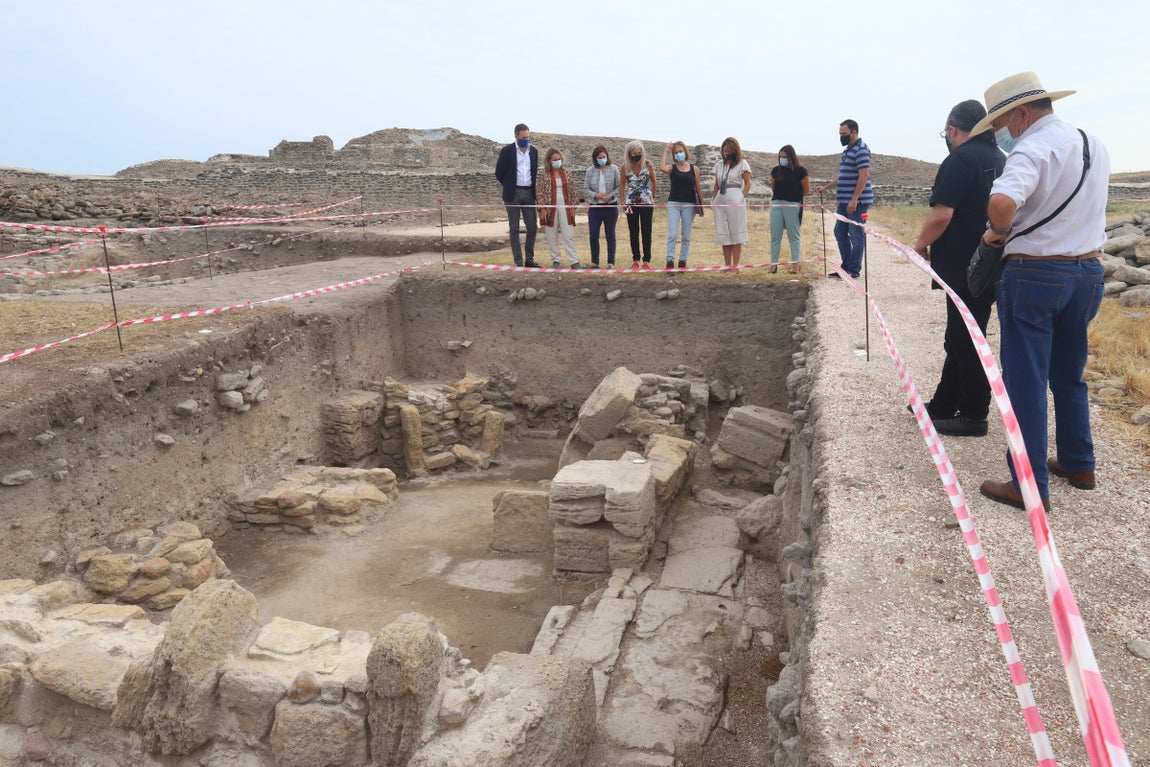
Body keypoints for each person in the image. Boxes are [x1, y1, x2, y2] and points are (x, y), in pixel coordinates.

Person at [968, 72, 1109, 511]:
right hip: (1088, 271)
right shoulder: (1090, 143)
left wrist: (997, 231)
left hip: (1036, 273)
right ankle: (1079, 463)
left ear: (1022, 114)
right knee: (1069, 374)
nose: (1003, 133)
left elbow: (1001, 203)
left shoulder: (1031, 147)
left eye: (1002, 123)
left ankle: (1028, 486)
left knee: (1025, 382)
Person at [911, 100, 1006, 438]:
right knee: (962, 335)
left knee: (965, 340)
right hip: (991, 262)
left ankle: (974, 414)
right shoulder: (999, 158)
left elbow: (941, 215)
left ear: (952, 129)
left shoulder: (960, 159)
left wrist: (919, 246)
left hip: (965, 266)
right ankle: (943, 404)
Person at [816, 119, 873, 278]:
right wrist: (826, 188)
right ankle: (846, 267)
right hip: (843, 201)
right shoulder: (847, 151)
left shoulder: (861, 150)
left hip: (857, 202)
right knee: (839, 232)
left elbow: (864, 176)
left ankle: (853, 270)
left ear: (854, 132)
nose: (842, 136)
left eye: (844, 134)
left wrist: (854, 199)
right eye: (840, 134)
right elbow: (841, 176)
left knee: (856, 234)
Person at [494, 123, 541, 268]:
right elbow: (499, 172)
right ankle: (518, 260)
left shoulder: (533, 151)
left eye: (528, 137)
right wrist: (509, 185)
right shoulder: (507, 151)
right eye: (523, 137)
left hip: (529, 193)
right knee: (514, 228)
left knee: (532, 226)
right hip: (513, 193)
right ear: (516, 136)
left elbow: (534, 171)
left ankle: (529, 259)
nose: (526, 140)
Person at [659, 141, 705, 271]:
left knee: (686, 235)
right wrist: (666, 151)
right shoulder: (672, 168)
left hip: (689, 204)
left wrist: (701, 205)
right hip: (674, 203)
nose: (679, 154)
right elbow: (662, 168)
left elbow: (698, 187)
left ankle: (683, 261)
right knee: (672, 234)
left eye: (680, 151)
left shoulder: (694, 169)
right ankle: (669, 261)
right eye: (676, 152)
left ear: (685, 151)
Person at [711, 137, 752, 270]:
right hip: (720, 199)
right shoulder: (719, 165)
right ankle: (727, 265)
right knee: (724, 232)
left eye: (729, 151)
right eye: (725, 150)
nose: (726, 153)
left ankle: (735, 266)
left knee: (736, 232)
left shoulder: (742, 163)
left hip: (735, 199)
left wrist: (741, 197)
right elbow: (716, 185)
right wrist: (714, 200)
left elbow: (748, 183)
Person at [538, 148, 581, 269]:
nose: (558, 161)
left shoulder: (567, 173)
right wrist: (542, 208)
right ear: (549, 161)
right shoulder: (544, 175)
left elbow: (573, 191)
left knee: (568, 235)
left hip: (566, 208)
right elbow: (540, 193)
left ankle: (574, 261)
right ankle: (555, 260)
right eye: (555, 160)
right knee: (551, 236)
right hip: (549, 209)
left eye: (559, 159)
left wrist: (574, 205)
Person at [769, 145, 809, 274]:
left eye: (785, 157)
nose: (782, 159)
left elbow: (806, 189)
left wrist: (794, 199)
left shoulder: (800, 171)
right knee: (775, 236)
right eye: (780, 157)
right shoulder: (776, 170)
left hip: (792, 205)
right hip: (776, 204)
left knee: (793, 236)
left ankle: (795, 267)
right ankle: (773, 266)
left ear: (791, 157)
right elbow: (773, 186)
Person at [622, 140, 658, 270]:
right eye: (634, 153)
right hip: (631, 202)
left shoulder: (648, 165)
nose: (637, 155)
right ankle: (636, 259)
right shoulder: (625, 167)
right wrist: (622, 201)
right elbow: (621, 184)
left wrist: (652, 196)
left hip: (646, 202)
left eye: (639, 153)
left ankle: (646, 260)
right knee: (633, 231)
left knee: (646, 230)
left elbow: (654, 181)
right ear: (629, 154)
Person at [584, 146, 620, 269]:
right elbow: (586, 188)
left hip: (610, 207)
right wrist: (596, 195)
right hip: (595, 208)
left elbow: (619, 186)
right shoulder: (590, 171)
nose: (602, 159)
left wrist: (611, 196)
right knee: (593, 235)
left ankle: (611, 262)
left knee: (610, 235)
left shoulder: (614, 169)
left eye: (604, 157)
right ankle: (595, 262)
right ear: (595, 159)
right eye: (599, 158)